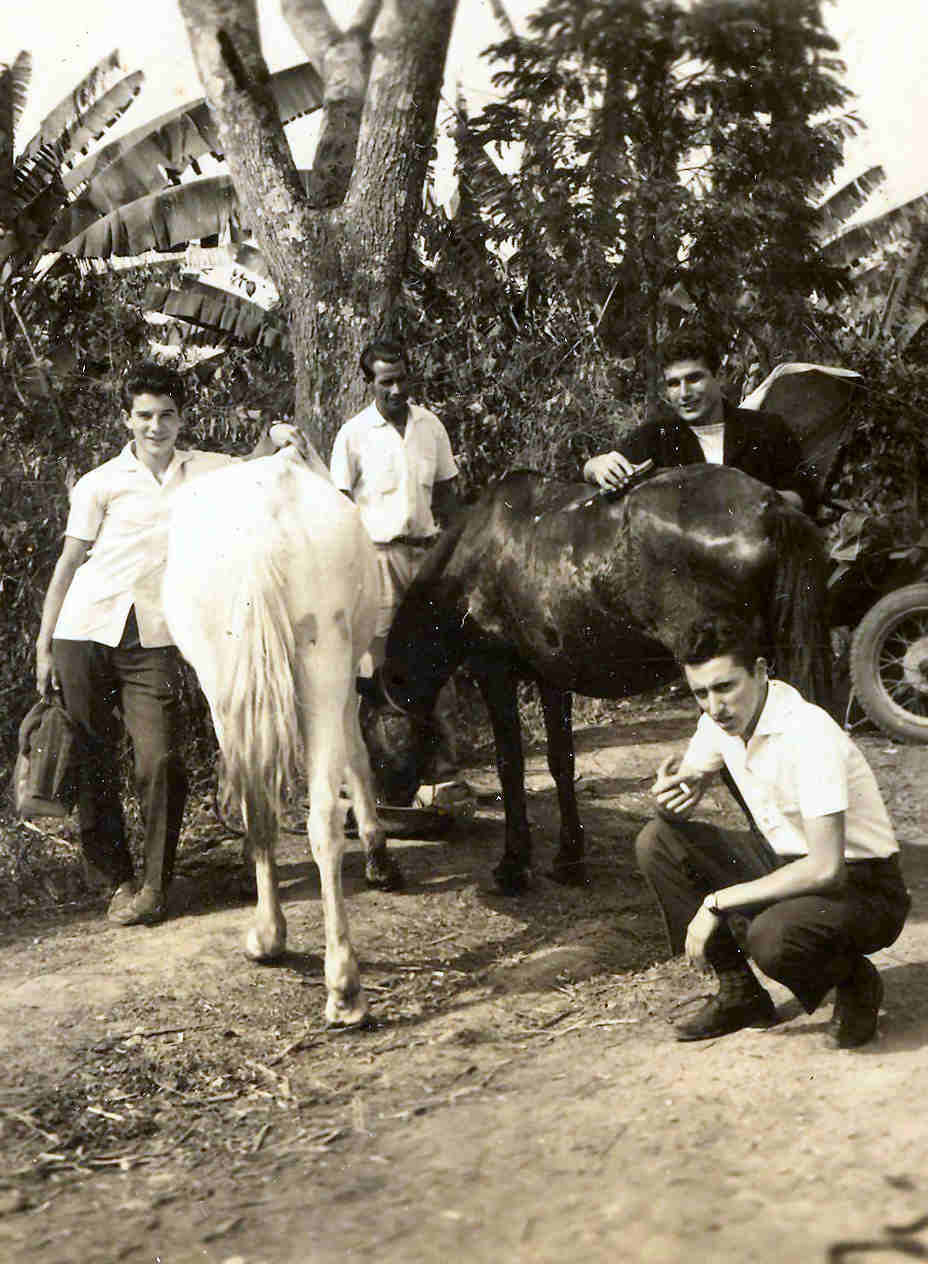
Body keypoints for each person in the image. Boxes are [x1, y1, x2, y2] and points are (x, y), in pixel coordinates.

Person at [35, 361, 303, 927]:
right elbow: (69, 563)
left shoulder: (203, 470)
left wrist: (276, 434)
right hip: (83, 629)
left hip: (155, 638)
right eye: (144, 416)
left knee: (160, 759)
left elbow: (254, 464)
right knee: (92, 757)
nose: (155, 427)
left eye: (166, 416)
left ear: (181, 419)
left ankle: (156, 885)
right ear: (127, 420)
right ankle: (117, 879)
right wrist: (44, 644)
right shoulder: (100, 483)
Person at [635, 615, 910, 1048]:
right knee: (658, 842)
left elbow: (825, 869)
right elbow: (688, 780)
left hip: (862, 884)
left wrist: (716, 902)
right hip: (787, 862)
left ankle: (855, 981)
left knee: (772, 938)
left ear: (761, 672)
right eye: (700, 693)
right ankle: (740, 993)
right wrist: (669, 796)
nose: (714, 706)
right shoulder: (720, 721)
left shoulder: (808, 732)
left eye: (725, 687)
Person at [330, 339, 460, 776]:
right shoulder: (353, 435)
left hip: (427, 557)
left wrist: (450, 552)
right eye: (386, 382)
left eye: (402, 379)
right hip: (377, 558)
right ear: (369, 383)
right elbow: (339, 507)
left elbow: (447, 493)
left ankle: (443, 767)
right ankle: (382, 768)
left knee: (438, 655)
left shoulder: (430, 426)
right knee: (379, 660)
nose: (397, 390)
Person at [582, 328, 813, 511]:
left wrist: (752, 497)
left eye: (694, 379)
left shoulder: (766, 428)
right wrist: (596, 466)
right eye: (674, 383)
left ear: (719, 377)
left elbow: (804, 497)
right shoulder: (656, 435)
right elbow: (589, 475)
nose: (684, 393)